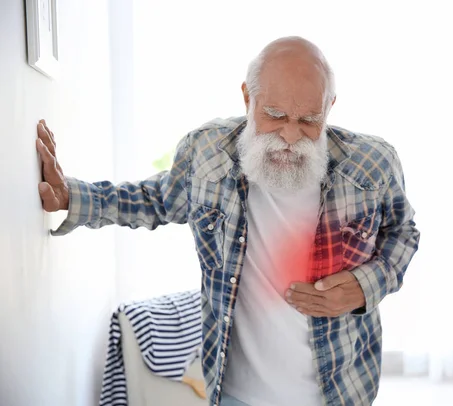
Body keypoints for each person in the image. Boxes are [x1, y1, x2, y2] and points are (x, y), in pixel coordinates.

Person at [36, 36, 420, 406]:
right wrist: (71, 195)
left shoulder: (373, 163)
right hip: (234, 391)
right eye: (275, 115)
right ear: (247, 97)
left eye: (308, 120)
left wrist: (363, 286)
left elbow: (403, 234)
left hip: (343, 388)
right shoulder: (206, 151)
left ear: (330, 106)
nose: (290, 135)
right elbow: (154, 199)